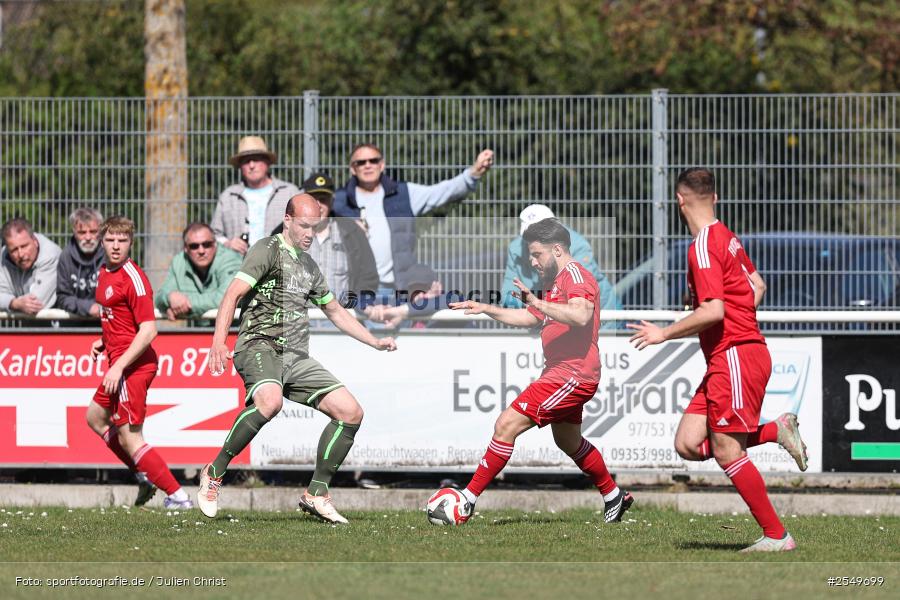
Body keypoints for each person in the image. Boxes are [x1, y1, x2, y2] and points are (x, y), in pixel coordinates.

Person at [627, 168, 808, 553]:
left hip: (736, 356)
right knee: (689, 443)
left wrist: (663, 332)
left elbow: (713, 311)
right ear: (715, 197)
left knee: (727, 450)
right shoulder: (726, 237)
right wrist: (732, 314)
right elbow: (756, 286)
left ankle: (777, 536)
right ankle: (775, 431)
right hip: (732, 356)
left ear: (679, 200)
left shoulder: (703, 245)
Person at [197, 194, 397, 524]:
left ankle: (316, 493)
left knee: (350, 412)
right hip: (258, 346)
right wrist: (218, 341)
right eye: (303, 225)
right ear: (287, 220)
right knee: (270, 402)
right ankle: (214, 472)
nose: (309, 233)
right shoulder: (267, 249)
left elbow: (335, 311)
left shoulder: (308, 265)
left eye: (314, 227)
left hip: (295, 355)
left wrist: (374, 341)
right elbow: (233, 294)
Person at [449, 218, 633, 524]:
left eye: (537, 255)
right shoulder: (555, 279)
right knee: (568, 440)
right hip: (564, 373)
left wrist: (538, 302)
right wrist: (487, 308)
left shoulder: (575, 275)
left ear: (557, 249)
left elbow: (581, 315)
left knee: (506, 424)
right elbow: (530, 317)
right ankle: (613, 495)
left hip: (571, 374)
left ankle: (466, 501)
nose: (532, 261)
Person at [84, 216, 193, 509]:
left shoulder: (134, 278)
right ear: (102, 242)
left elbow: (149, 330)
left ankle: (178, 497)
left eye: (122, 240)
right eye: (110, 240)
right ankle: (144, 475)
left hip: (132, 367)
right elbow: (119, 319)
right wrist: (104, 341)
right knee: (95, 418)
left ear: (131, 243)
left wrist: (118, 366)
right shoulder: (105, 270)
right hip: (118, 363)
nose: (116, 246)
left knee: (132, 437)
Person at [331, 143, 494, 293]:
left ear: (382, 165)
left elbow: (440, 192)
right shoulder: (337, 201)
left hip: (396, 287)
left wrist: (473, 173)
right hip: (354, 288)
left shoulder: (404, 194)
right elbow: (309, 203)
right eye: (360, 162)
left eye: (373, 160)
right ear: (352, 169)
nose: (367, 165)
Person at [501, 204, 621, 330]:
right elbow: (509, 293)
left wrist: (536, 303)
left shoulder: (578, 246)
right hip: (548, 318)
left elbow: (580, 295)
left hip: (601, 316)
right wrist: (523, 303)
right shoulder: (516, 250)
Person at [211, 136, 300, 255]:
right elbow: (213, 235)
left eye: (256, 159)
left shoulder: (289, 193)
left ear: (267, 162)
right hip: (239, 265)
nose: (251, 165)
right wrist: (228, 243)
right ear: (240, 166)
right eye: (246, 161)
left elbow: (304, 228)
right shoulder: (228, 197)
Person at [155, 223, 242, 320]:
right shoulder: (179, 262)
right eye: (194, 246)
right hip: (197, 332)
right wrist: (169, 298)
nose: (201, 251)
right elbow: (159, 297)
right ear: (185, 248)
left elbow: (226, 298)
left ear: (215, 244)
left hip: (233, 330)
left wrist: (182, 305)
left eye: (207, 244)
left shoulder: (231, 259)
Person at [0, 218, 61, 315]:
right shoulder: (3, 256)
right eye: (14, 250)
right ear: (7, 249)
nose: (20, 254)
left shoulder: (50, 255)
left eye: (24, 246)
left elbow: (36, 304)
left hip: (57, 324)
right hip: (24, 324)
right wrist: (14, 303)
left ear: (35, 241)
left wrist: (8, 301)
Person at [56, 207, 105, 317]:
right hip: (74, 323)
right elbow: (62, 297)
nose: (88, 237)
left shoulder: (110, 254)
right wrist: (88, 307)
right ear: (74, 232)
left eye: (93, 231)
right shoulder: (66, 256)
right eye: (82, 232)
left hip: (108, 322)